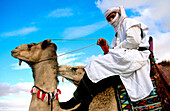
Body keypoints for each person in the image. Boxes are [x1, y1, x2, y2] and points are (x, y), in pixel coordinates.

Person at [60, 6, 154, 111]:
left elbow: (134, 42)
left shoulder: (129, 22)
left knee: (95, 64)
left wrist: (116, 50)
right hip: (126, 57)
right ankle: (85, 104)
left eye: (112, 16)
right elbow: (112, 54)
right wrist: (105, 47)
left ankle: (75, 99)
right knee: (101, 76)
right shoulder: (117, 35)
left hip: (136, 56)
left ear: (119, 14)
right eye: (108, 19)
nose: (111, 20)